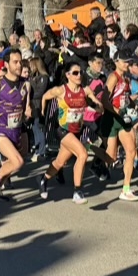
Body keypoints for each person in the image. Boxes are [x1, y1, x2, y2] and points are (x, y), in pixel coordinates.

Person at [39, 60, 105, 204]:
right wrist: (43, 111)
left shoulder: (85, 90)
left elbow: (98, 105)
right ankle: (77, 191)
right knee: (83, 154)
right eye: (75, 73)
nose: (78, 75)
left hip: (76, 131)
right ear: (68, 75)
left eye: (80, 72)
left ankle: (43, 180)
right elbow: (45, 96)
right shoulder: (61, 90)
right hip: (62, 130)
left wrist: (96, 106)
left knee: (59, 162)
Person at [0, 49, 31, 215]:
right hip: (0, 131)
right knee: (17, 162)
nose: (19, 65)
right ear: (7, 64)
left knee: (12, 165)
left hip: (15, 131)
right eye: (15, 62)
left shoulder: (26, 84)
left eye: (20, 61)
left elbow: (26, 108)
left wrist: (29, 112)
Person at [100, 50, 138, 201]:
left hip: (123, 118)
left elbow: (125, 98)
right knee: (111, 157)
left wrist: (133, 105)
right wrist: (115, 111)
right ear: (116, 62)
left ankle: (126, 188)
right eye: (124, 61)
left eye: (128, 61)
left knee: (131, 151)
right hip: (112, 118)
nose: (127, 64)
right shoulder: (113, 77)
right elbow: (104, 99)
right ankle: (96, 159)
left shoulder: (127, 79)